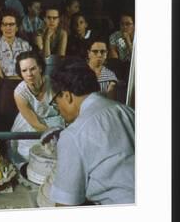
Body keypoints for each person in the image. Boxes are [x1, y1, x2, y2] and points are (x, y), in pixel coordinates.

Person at [48, 59, 134, 205]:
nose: (58, 109)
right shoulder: (126, 111)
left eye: (56, 102)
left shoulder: (73, 135)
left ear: (67, 96)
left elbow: (65, 205)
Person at [9, 51, 65, 167]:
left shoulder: (54, 83)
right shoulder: (19, 93)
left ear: (40, 68)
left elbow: (64, 109)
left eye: (32, 69)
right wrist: (51, 136)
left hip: (55, 119)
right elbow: (35, 123)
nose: (29, 74)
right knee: (32, 154)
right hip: (31, 124)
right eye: (24, 71)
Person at [0, 8, 32, 130]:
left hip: (24, 83)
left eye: (11, 24)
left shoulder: (25, 45)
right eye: (5, 24)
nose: (8, 28)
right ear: (0, 27)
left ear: (17, 27)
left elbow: (30, 69)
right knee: (5, 92)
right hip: (4, 85)